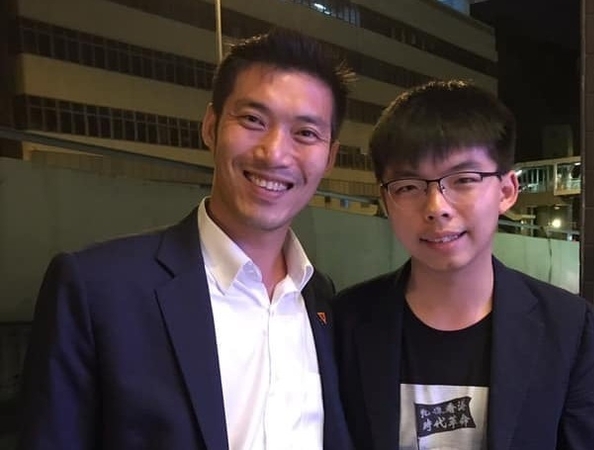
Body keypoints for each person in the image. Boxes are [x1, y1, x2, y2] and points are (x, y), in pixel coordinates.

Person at [19, 28, 354, 450]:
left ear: (330, 157)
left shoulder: (320, 297)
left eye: (305, 133)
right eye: (253, 120)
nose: (274, 153)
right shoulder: (96, 289)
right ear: (211, 126)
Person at [332, 80, 594, 449]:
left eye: (464, 179)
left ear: (506, 191)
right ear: (386, 201)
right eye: (408, 186)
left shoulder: (567, 326)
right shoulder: (346, 321)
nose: (436, 207)